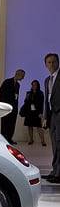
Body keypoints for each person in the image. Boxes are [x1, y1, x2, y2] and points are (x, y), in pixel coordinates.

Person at [43, 53, 60, 183]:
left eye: (54, 62)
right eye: (49, 62)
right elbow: (46, 100)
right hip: (52, 115)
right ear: (45, 65)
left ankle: (58, 173)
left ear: (58, 62)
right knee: (54, 144)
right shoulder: (47, 80)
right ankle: (55, 171)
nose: (51, 64)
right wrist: (45, 117)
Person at [0, 69, 25, 144]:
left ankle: (9, 139)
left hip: (14, 108)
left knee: (12, 124)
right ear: (18, 74)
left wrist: (16, 107)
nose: (23, 78)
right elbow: (1, 93)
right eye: (22, 76)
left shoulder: (18, 85)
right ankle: (4, 140)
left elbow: (16, 97)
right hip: (6, 107)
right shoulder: (7, 82)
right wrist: (3, 106)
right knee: (5, 123)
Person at [21, 80, 46, 146]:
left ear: (38, 85)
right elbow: (25, 102)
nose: (34, 86)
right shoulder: (29, 93)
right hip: (29, 112)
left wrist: (41, 113)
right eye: (33, 85)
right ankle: (31, 140)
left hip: (37, 112)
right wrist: (26, 98)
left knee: (39, 127)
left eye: (35, 85)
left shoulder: (40, 93)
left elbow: (41, 104)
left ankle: (43, 141)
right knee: (29, 126)